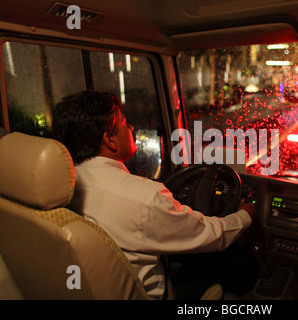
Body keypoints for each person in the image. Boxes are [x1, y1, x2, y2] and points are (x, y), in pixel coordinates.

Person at [51, 90, 255, 300]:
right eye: (124, 123)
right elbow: (211, 235)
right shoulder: (146, 198)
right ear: (110, 139)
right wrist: (244, 215)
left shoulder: (58, 185)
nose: (131, 128)